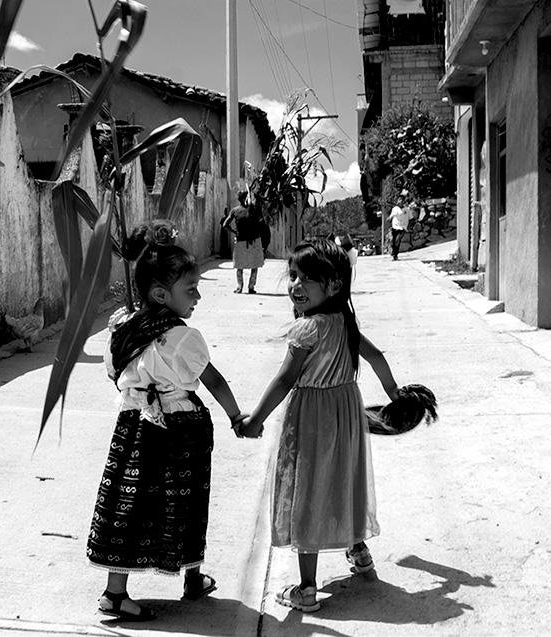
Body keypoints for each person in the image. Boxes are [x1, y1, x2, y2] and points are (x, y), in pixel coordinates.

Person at [88, 220, 247, 622]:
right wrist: (236, 416)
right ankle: (192, 577)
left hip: (134, 426)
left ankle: (115, 592)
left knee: (129, 505)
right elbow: (213, 379)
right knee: (186, 502)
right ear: (161, 293)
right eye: (190, 289)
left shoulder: (122, 328)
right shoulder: (182, 337)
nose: (198, 297)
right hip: (179, 430)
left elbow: (113, 373)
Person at [238, 240, 401, 613]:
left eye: (306, 279)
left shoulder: (306, 331)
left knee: (307, 493)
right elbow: (375, 357)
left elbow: (284, 381)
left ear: (333, 286)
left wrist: (254, 421)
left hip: (310, 417)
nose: (295, 285)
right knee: (345, 479)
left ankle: (307, 589)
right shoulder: (345, 323)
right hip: (345, 413)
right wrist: (395, 394)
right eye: (293, 276)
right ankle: (358, 552)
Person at [221, 190, 264, 293]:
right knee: (255, 266)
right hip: (254, 241)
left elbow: (225, 225)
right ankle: (251, 287)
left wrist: (235, 232)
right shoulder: (254, 209)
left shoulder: (235, 210)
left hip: (241, 241)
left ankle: (240, 287)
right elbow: (262, 221)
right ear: (246, 198)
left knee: (239, 266)